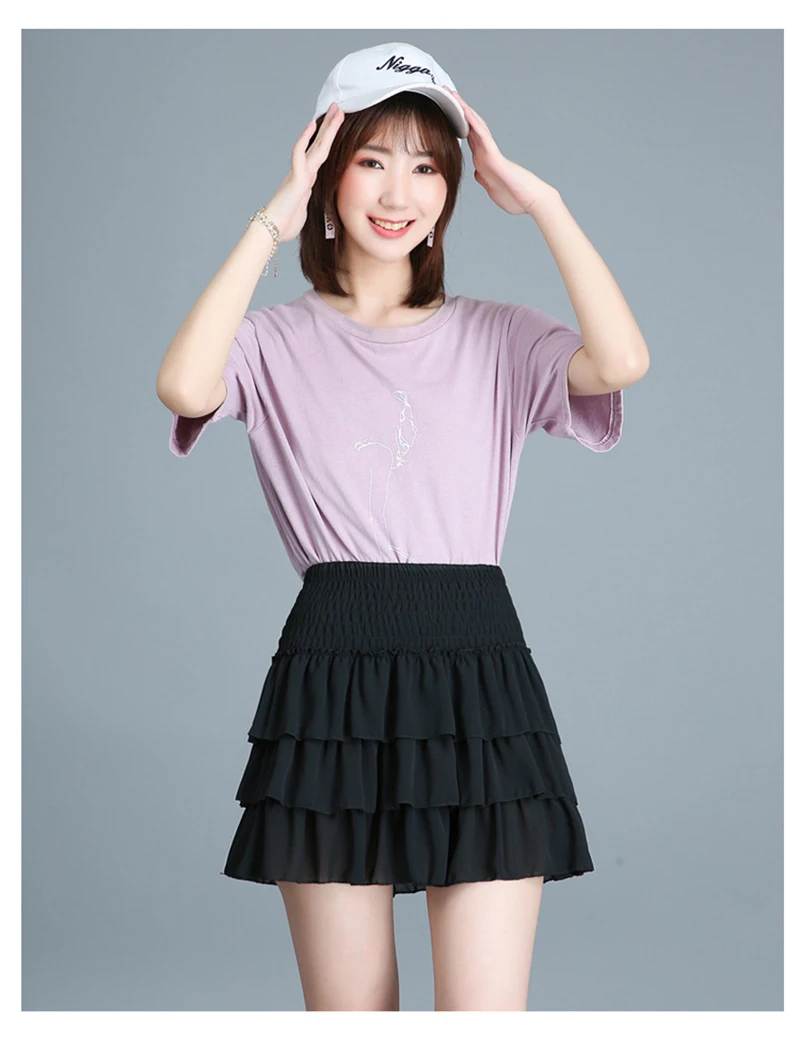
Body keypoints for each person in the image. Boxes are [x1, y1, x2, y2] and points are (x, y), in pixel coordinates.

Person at [156, 41, 649, 1012]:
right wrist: (271, 220)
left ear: (452, 186)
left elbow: (622, 359)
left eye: (426, 165)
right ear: (326, 167)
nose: (398, 192)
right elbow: (182, 383)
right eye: (371, 159)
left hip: (478, 674)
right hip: (332, 682)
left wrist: (543, 202)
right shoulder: (272, 341)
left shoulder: (500, 335)